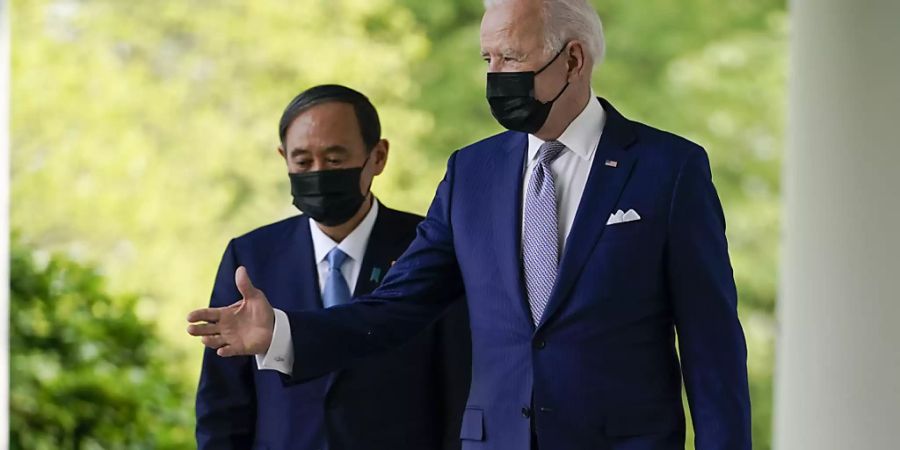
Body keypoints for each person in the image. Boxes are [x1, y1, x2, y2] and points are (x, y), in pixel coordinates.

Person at [188, 1, 752, 448]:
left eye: (510, 57)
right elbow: (398, 305)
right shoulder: (471, 172)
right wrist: (283, 333)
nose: (494, 76)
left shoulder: (668, 169)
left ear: (573, 60)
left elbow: (712, 344)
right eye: (487, 60)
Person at [194, 84, 471, 450]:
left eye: (335, 159)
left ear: (378, 156)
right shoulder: (250, 257)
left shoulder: (430, 251)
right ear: (284, 159)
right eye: (303, 161)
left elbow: (459, 390)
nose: (318, 172)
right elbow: (222, 407)